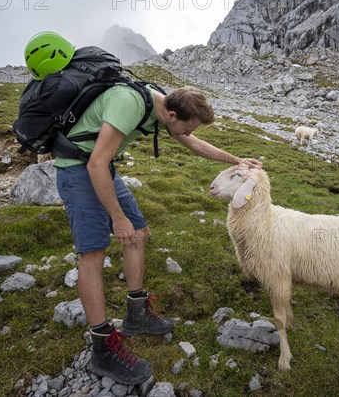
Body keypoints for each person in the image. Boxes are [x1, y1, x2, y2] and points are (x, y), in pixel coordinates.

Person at [25, 32, 262, 385]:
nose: (185, 134)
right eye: (185, 127)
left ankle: (136, 314)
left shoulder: (161, 106)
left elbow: (192, 142)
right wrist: (116, 219)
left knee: (139, 233)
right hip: (79, 170)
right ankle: (102, 349)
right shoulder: (128, 103)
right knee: (92, 255)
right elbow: (94, 165)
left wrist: (235, 159)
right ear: (171, 113)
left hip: (101, 167)